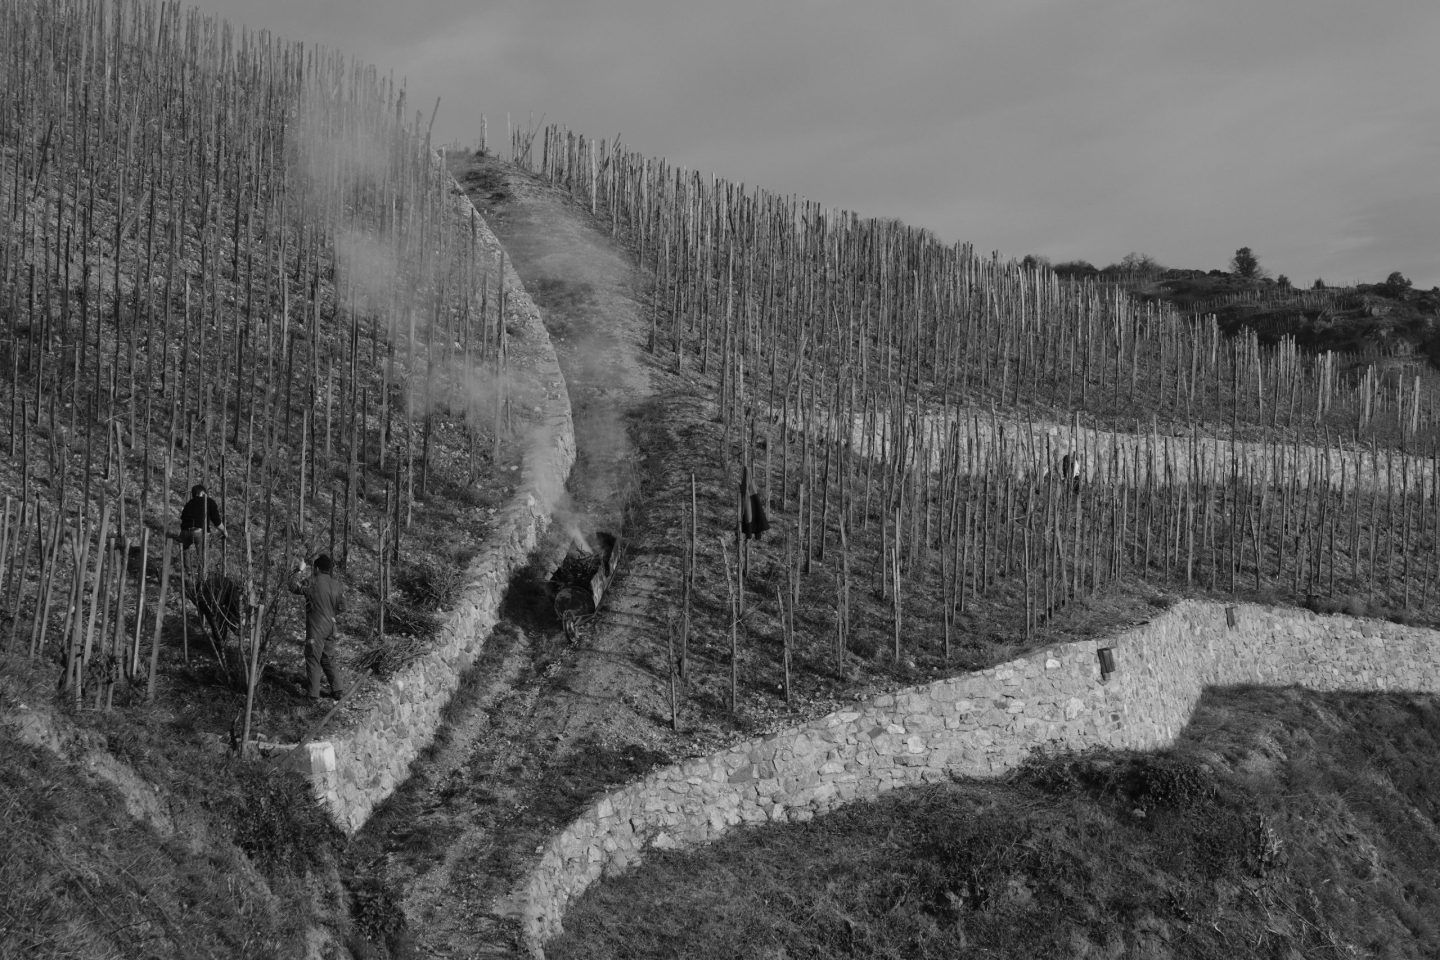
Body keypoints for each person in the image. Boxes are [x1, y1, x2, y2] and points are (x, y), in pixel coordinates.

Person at [289, 554, 347, 704]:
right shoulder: (337, 584)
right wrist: (331, 614)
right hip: (331, 626)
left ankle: (313, 696)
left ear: (316, 568)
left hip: (317, 627)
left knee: (313, 658)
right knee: (328, 657)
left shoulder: (312, 582)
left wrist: (298, 570)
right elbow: (343, 607)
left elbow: (293, 586)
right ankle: (338, 690)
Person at [178, 483, 225, 572]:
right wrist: (224, 531)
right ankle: (201, 580)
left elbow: (183, 518)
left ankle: (188, 574)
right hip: (199, 532)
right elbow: (216, 521)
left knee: (185, 549)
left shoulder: (188, 504)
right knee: (202, 559)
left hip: (184, 532)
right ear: (203, 493)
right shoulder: (209, 501)